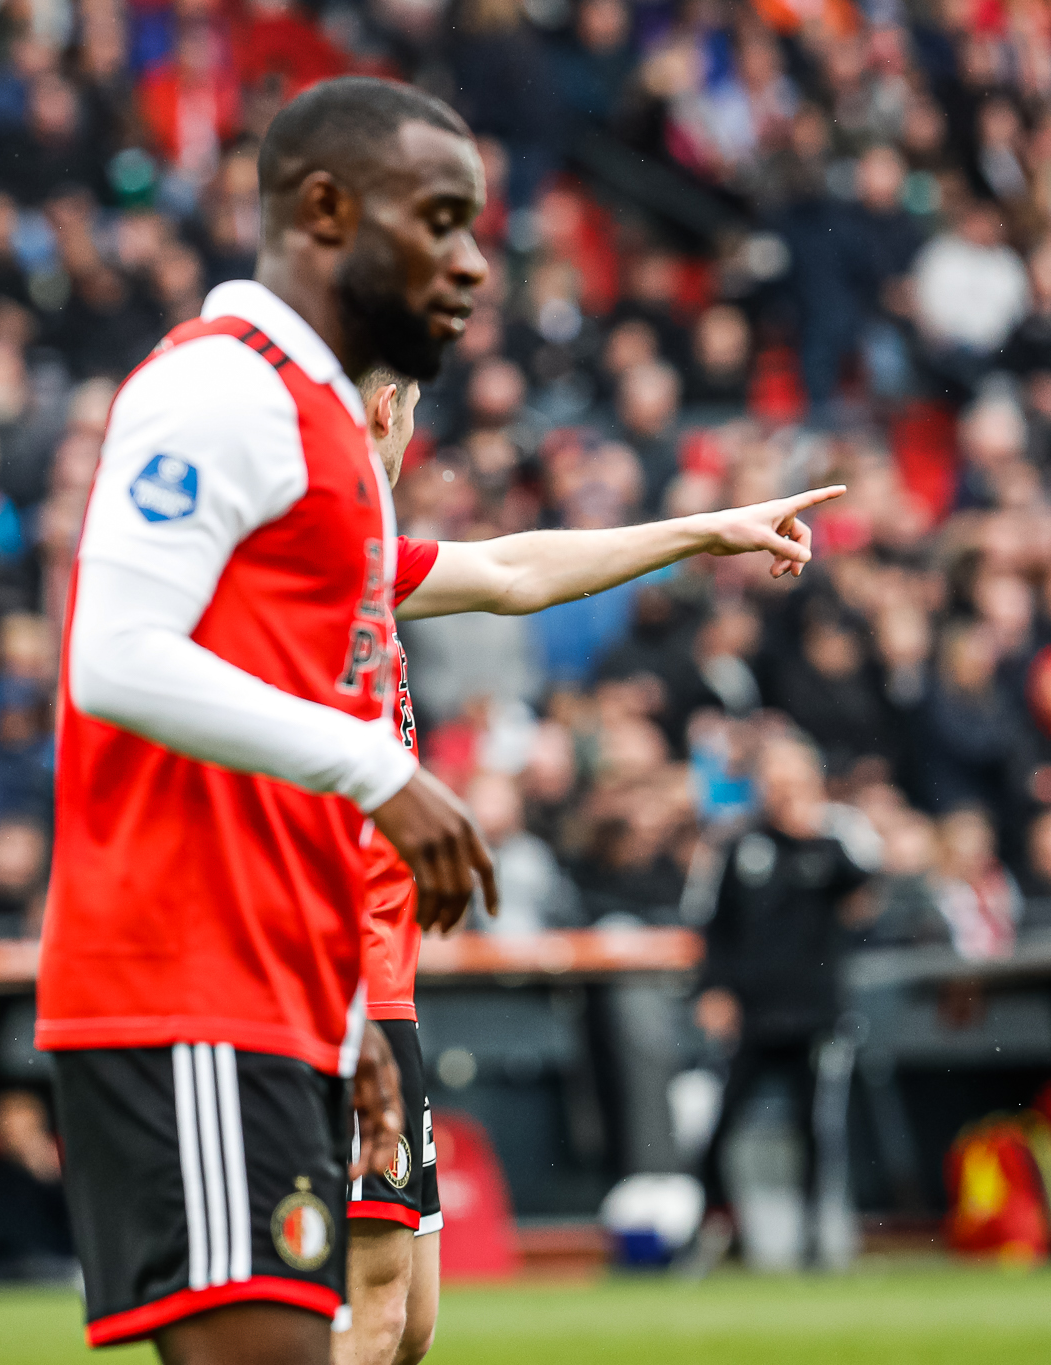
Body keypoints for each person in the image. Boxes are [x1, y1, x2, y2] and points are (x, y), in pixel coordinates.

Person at [36, 77, 497, 1361]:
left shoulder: (329, 432)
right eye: (440, 219)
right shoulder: (223, 388)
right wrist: (377, 769)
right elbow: (113, 657)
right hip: (186, 976)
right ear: (327, 210)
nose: (469, 262)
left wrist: (342, 1015)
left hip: (283, 988)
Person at [336, 365, 842, 1365]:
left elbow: (514, 570)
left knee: (408, 1322)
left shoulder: (362, 563)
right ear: (386, 409)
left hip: (383, 984)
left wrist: (704, 529)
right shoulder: (297, 569)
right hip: (328, 982)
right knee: (371, 1309)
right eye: (412, 411)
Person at [692, 736, 876, 1267]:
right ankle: (717, 1231)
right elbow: (716, 927)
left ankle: (819, 1237)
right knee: (722, 1122)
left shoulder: (832, 841)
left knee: (814, 1126)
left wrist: (817, 831)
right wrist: (714, 990)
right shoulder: (739, 845)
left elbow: (864, 895)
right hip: (753, 1012)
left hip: (814, 1010)